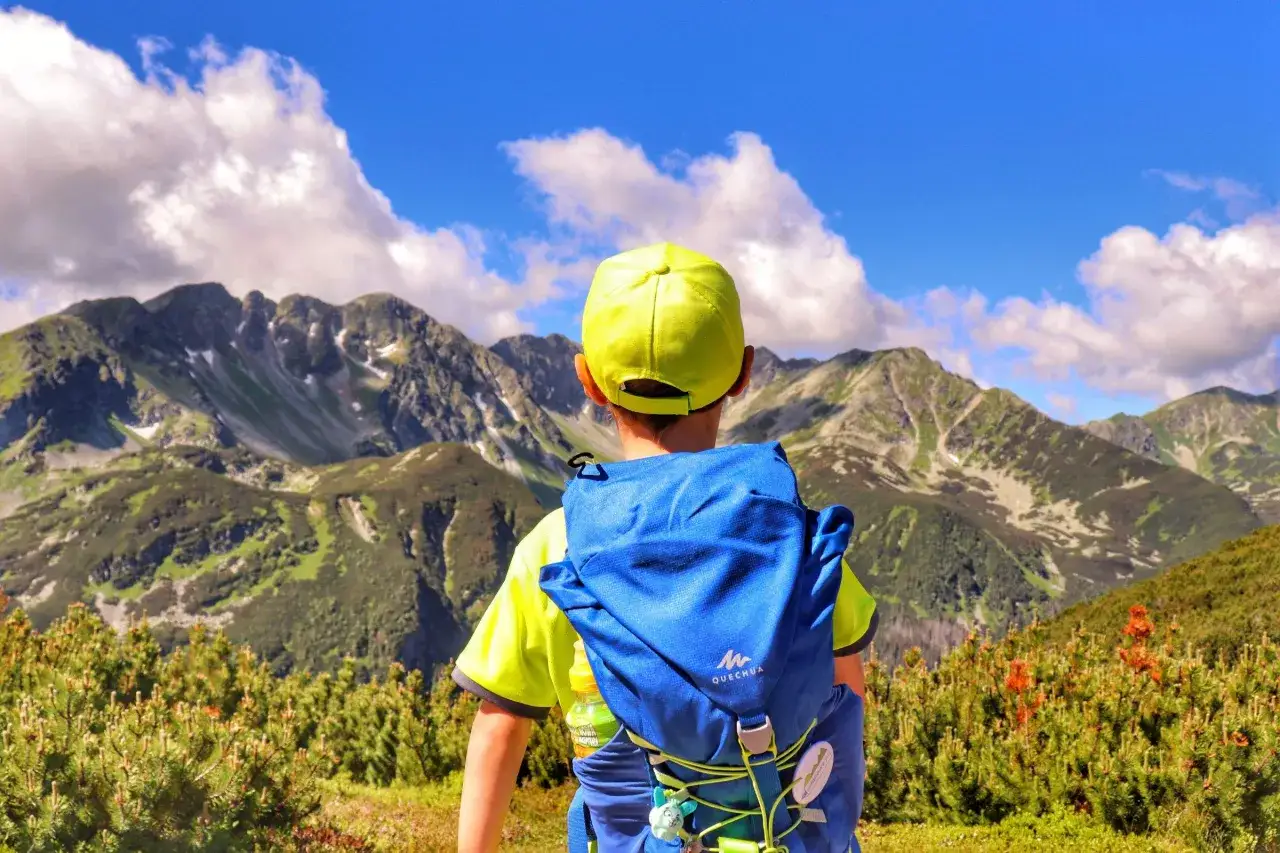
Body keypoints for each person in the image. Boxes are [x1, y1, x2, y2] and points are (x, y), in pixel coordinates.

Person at [454, 242, 878, 853]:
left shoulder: (557, 546)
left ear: (590, 381)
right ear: (743, 373)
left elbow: (500, 727)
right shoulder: (794, 532)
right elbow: (845, 691)